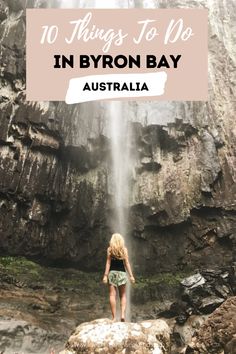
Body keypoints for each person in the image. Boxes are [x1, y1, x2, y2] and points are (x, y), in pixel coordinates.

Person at [102, 233, 135, 322]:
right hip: (122, 274)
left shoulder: (110, 249)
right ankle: (123, 315)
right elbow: (127, 263)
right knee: (123, 295)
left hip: (112, 273)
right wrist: (131, 276)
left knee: (112, 295)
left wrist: (105, 275)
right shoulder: (124, 250)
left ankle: (114, 317)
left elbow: (108, 263)